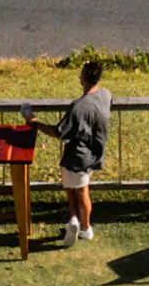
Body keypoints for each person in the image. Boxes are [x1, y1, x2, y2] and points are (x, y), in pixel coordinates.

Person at [26, 60, 111, 244]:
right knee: (77, 188)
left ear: (82, 79)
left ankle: (84, 226)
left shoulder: (78, 107)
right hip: (94, 153)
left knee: (78, 192)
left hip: (77, 156)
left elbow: (58, 132)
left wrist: (35, 123)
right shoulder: (105, 95)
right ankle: (75, 222)